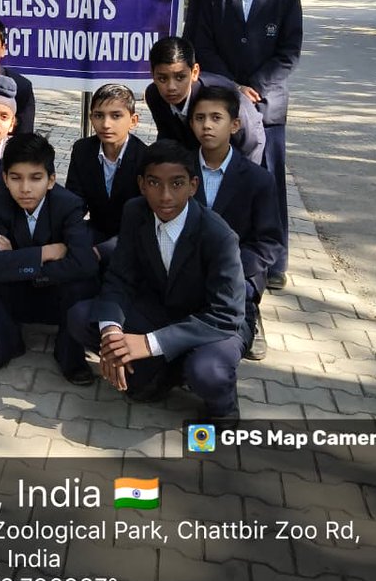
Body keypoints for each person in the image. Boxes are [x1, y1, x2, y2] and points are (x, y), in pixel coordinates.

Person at [69, 141, 249, 420]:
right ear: (141, 184)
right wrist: (112, 334)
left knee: (207, 371)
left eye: (177, 184)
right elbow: (119, 278)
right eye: (154, 183)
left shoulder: (218, 236)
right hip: (159, 309)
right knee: (82, 317)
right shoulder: (135, 211)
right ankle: (162, 375)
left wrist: (148, 344)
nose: (165, 195)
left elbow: (228, 315)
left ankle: (224, 409)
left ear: (193, 185)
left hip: (212, 323)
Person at [194, 0, 303, 289]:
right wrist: (232, 87)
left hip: (267, 107)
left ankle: (274, 263)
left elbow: (289, 52)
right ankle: (221, 256)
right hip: (223, 104)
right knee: (221, 183)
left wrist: (253, 85)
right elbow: (202, 44)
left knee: (269, 182)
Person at [0, 132, 99, 383]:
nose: (25, 188)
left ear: (51, 180)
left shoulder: (68, 205)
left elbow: (85, 263)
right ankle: (2, 345)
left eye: (36, 178)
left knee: (83, 283)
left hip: (55, 295)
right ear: (5, 178)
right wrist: (45, 253)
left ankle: (69, 355)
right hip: (17, 294)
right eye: (16, 178)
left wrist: (18, 261)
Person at [189, 85, 282, 361]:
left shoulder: (258, 180)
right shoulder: (180, 172)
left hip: (236, 272)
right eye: (199, 118)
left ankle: (248, 319)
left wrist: (227, 265)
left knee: (222, 342)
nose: (207, 125)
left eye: (216, 118)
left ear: (235, 125)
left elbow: (269, 243)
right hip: (184, 269)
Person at [144, 35, 265, 163]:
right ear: (153, 75)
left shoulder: (218, 95)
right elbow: (167, 137)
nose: (171, 87)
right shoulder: (154, 95)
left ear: (194, 72)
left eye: (180, 77)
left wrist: (243, 175)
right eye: (162, 79)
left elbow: (251, 140)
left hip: (245, 141)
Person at [65, 83, 147, 262]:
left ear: (133, 121)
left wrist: (103, 250)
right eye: (99, 116)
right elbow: (73, 203)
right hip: (93, 232)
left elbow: (144, 219)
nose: (106, 124)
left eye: (116, 116)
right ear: (90, 118)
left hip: (131, 241)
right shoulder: (82, 150)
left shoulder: (145, 158)